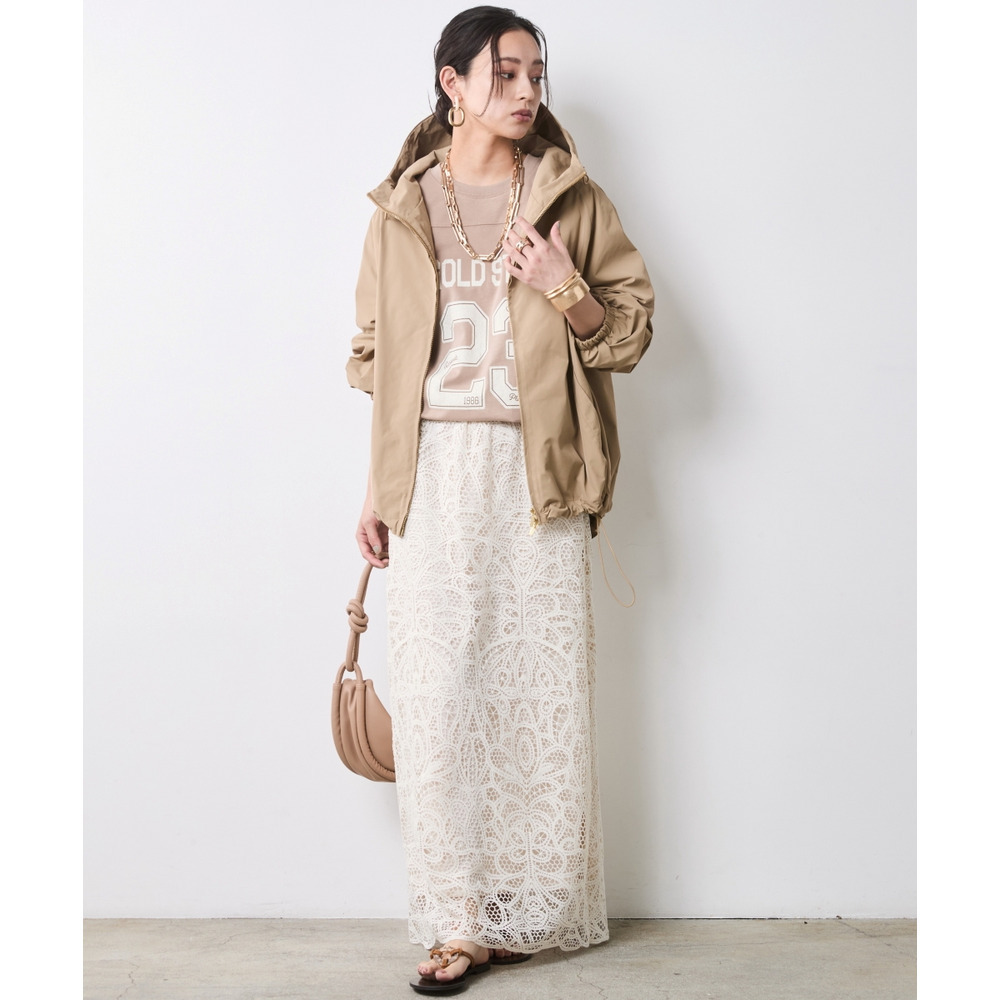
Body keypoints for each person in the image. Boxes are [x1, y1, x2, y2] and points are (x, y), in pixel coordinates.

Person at [346, 6, 654, 994]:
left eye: (536, 74)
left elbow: (628, 334)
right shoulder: (402, 207)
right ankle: (458, 919)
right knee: (438, 701)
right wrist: (378, 487)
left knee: (536, 701)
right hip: (432, 476)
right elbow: (379, 359)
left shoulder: (569, 196)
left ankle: (529, 912)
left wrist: (565, 285)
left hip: (537, 474)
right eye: (506, 72)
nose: (527, 91)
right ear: (453, 82)